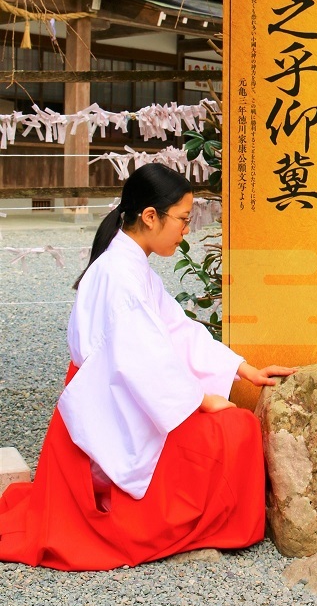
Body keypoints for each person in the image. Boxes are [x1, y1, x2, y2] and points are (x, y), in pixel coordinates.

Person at [0, 165, 294, 570]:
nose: (185, 231)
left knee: (233, 427)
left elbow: (176, 330)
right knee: (237, 429)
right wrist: (201, 399)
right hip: (114, 407)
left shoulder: (129, 265)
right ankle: (207, 527)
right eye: (183, 219)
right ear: (151, 216)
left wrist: (241, 369)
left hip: (129, 398)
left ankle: (214, 522)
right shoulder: (119, 273)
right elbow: (141, 360)